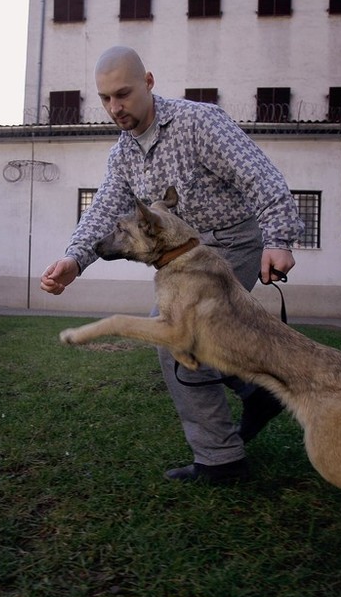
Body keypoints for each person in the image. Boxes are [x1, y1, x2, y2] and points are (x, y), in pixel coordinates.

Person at [40, 46, 305, 484]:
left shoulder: (199, 122)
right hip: (183, 256)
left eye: (122, 94)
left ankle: (222, 458)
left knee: (172, 336)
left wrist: (278, 238)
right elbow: (106, 209)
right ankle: (254, 395)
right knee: (188, 342)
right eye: (105, 98)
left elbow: (259, 175)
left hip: (232, 241)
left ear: (148, 82)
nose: (114, 107)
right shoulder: (123, 154)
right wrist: (74, 258)